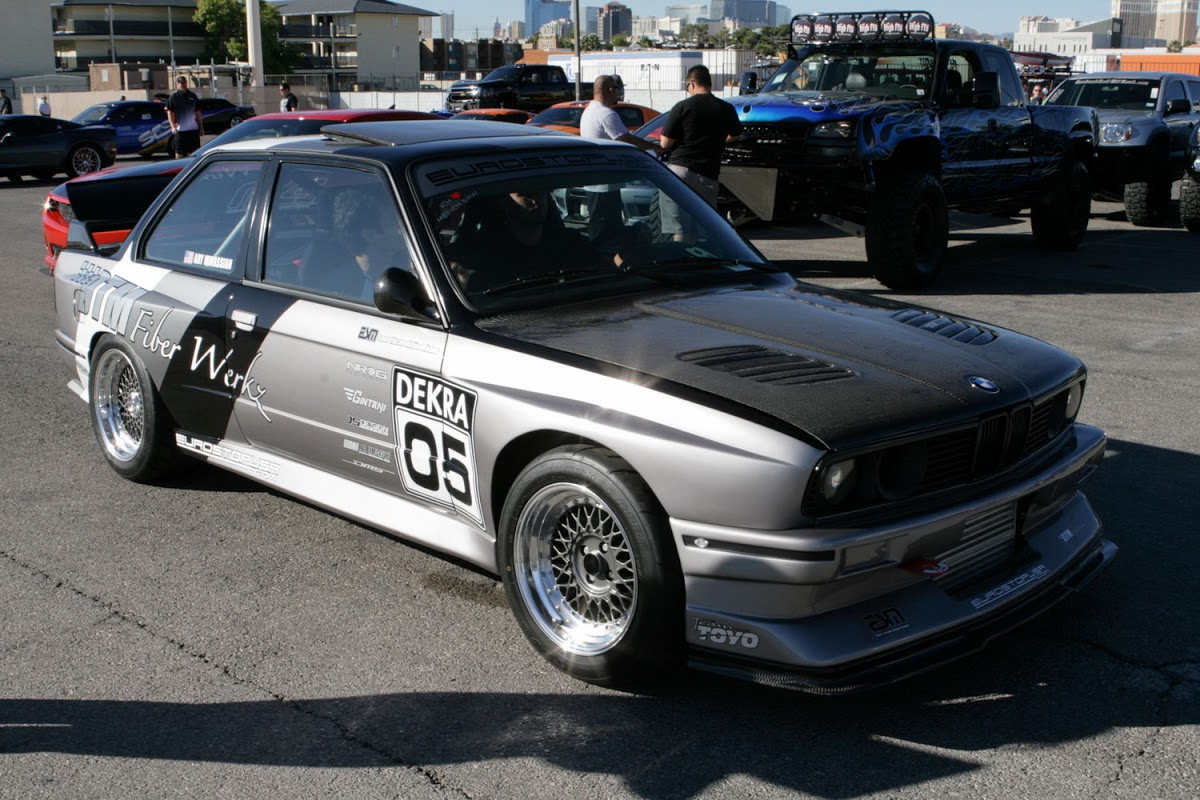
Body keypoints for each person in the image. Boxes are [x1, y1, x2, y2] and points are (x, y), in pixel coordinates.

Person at [659, 65, 742, 209]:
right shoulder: (726, 108)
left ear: (691, 84)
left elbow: (665, 143)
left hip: (680, 169)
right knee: (705, 225)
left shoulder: (682, 106)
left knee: (677, 223)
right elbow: (735, 135)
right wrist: (717, 141)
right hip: (708, 173)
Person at [166, 76, 203, 158]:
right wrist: (172, 126)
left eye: (184, 82)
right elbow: (170, 112)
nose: (182, 84)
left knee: (194, 152)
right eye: (180, 83)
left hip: (193, 130)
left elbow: (198, 113)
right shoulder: (174, 97)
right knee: (179, 152)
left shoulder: (193, 96)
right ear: (177, 84)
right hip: (180, 130)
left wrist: (201, 127)